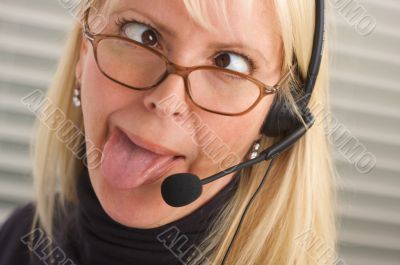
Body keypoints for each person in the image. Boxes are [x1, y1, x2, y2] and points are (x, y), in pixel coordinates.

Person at [0, 0, 336, 264]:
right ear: (83, 50)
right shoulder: (18, 239)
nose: (166, 99)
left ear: (279, 117)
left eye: (228, 62)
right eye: (142, 34)